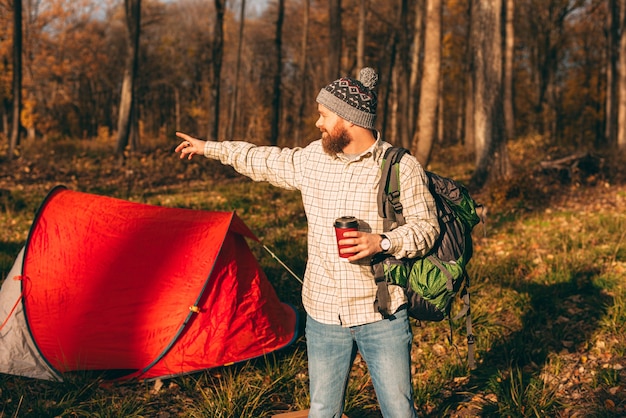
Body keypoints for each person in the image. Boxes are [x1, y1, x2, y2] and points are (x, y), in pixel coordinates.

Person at [175, 67, 439, 418]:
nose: (318, 123)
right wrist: (209, 148)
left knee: (398, 412)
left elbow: (426, 228)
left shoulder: (400, 167)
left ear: (349, 120)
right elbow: (262, 159)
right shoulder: (315, 158)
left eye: (324, 115)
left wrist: (382, 242)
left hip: (382, 314)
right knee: (322, 411)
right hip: (323, 312)